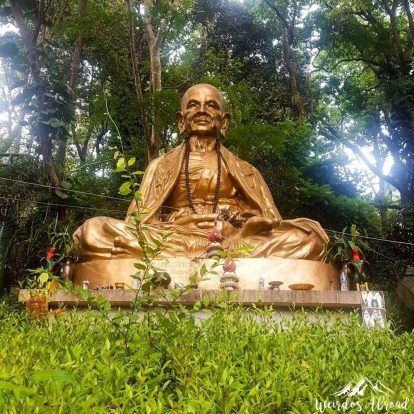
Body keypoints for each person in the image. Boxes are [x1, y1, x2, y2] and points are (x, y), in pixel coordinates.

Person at [74, 84, 328, 260]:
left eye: (211, 106)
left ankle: (215, 254)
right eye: (193, 105)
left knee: (309, 236)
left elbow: (271, 220)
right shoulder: (161, 166)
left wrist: (242, 228)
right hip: (174, 239)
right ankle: (199, 256)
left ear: (224, 121)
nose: (202, 111)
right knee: (93, 231)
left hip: (233, 241)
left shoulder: (246, 171)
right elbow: (138, 222)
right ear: (181, 120)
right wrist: (175, 224)